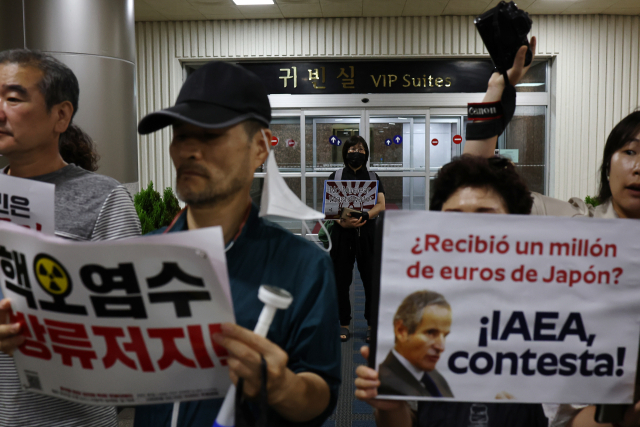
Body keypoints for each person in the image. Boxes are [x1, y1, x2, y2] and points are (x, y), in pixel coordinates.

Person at [133, 61, 340, 427]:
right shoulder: (141, 257)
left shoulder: (303, 265)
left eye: (210, 135)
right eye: (181, 135)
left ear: (260, 148)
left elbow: (321, 394)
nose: (189, 151)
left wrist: (281, 386)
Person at [463, 36, 640, 426]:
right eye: (630, 151)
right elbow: (476, 183)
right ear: (607, 165)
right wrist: (498, 90)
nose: (638, 166)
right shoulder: (572, 225)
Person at [0, 49, 140, 427]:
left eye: (13, 98)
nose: (0, 111)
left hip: (72, 419)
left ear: (60, 115)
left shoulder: (104, 198)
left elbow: (134, 320)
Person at [355, 156, 548, 427]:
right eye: (453, 220)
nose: (467, 234)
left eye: (485, 219)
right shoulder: (418, 305)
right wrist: (390, 405)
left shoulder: (548, 305)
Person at [327, 135, 386, 342]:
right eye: (352, 150)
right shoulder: (335, 176)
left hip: (367, 235)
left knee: (371, 280)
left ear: (366, 154)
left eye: (361, 150)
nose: (356, 153)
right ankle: (343, 323)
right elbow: (330, 209)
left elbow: (381, 205)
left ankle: (372, 324)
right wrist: (344, 222)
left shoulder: (372, 176)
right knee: (341, 281)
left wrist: (366, 216)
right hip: (342, 235)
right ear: (345, 153)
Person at [378, 290, 453, 398]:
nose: (441, 347)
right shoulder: (386, 384)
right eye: (430, 333)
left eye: (444, 336)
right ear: (401, 331)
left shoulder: (434, 377)